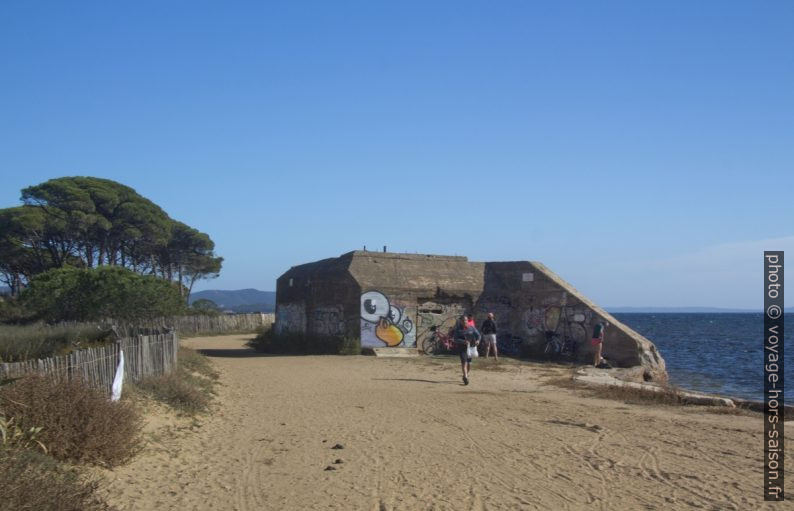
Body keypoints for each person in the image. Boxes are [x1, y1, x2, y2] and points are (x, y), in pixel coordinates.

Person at [454, 315, 481, 385]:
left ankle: (465, 375)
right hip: (462, 348)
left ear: (467, 320)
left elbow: (478, 335)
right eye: (463, 320)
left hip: (471, 348)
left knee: (468, 363)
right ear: (460, 321)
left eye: (465, 320)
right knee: (464, 362)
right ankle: (465, 377)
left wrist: (478, 340)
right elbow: (455, 339)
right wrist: (463, 341)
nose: (464, 321)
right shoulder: (458, 329)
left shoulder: (471, 328)